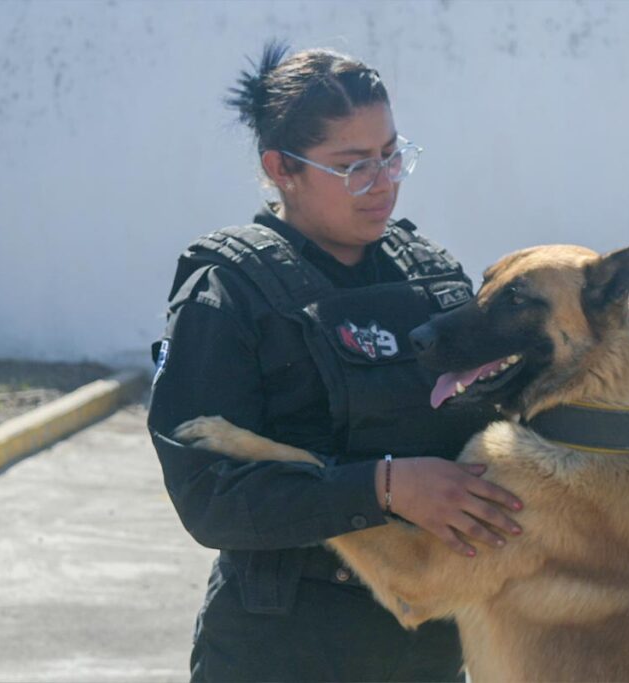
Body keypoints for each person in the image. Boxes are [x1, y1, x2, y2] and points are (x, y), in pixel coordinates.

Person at [146, 42, 525, 683]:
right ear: (281, 168)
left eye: (391, 155)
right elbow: (208, 495)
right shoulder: (229, 291)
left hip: (427, 650)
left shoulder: (431, 277)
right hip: (280, 649)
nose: (384, 183)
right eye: (353, 167)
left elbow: (507, 416)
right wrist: (383, 488)